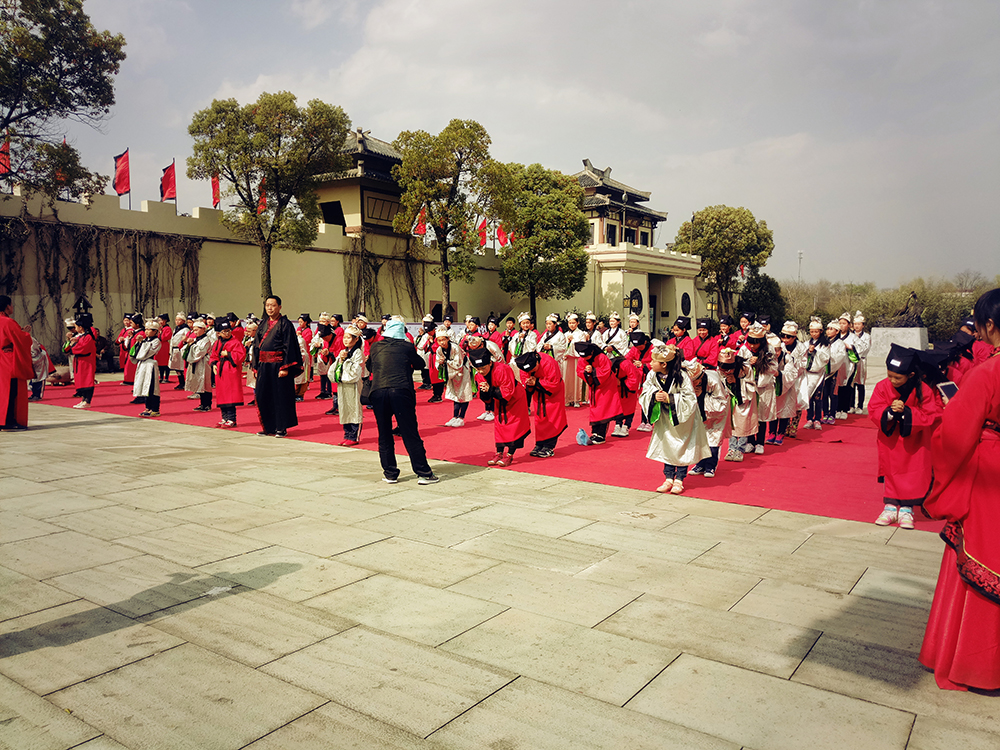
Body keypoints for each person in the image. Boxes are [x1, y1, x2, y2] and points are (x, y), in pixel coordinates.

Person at [919, 288, 1000, 691]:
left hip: (991, 472)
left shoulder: (988, 373)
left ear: (988, 326)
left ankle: (976, 666)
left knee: (980, 562)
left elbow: (955, 437)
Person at [867, 344, 943, 529]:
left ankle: (907, 509)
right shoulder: (882, 386)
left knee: (912, 472)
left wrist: (907, 412)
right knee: (891, 469)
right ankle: (890, 507)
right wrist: (890, 413)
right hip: (891, 438)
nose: (892, 380)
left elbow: (930, 413)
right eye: (889, 375)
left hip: (914, 439)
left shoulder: (923, 389)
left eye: (897, 377)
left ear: (910, 375)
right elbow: (874, 408)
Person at [368, 318, 438, 484]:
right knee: (409, 432)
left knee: (384, 434)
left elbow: (370, 367)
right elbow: (420, 364)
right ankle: (424, 473)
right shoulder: (406, 346)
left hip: (378, 391)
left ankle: (390, 473)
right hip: (400, 390)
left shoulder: (375, 346)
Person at [639, 344, 711, 494]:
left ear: (664, 364)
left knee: (682, 445)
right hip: (665, 416)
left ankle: (679, 479)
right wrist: (654, 395)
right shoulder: (652, 375)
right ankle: (668, 478)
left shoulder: (681, 376)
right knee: (668, 445)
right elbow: (646, 390)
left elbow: (690, 398)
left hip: (683, 417)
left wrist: (669, 398)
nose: (650, 363)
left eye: (654, 361)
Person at [252, 295, 303, 437]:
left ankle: (281, 427)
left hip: (279, 366)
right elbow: (256, 345)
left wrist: (286, 367)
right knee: (263, 396)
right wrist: (256, 366)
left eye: (273, 305)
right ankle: (269, 427)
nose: (270, 308)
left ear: (279, 307)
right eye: (267, 305)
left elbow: (290, 346)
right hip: (264, 366)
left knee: (280, 397)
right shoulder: (263, 324)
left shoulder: (285, 324)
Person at [471, 347, 530, 466]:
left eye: (483, 368)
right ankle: (499, 453)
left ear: (490, 362)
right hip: (499, 400)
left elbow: (507, 391)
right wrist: (484, 391)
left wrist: (490, 390)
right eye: (478, 369)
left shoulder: (503, 369)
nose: (481, 371)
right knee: (500, 425)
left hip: (515, 398)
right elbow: (485, 398)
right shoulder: (479, 375)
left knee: (514, 426)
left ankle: (510, 455)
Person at [514, 351, 567, 458]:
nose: (531, 371)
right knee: (540, 418)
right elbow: (524, 378)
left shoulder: (549, 362)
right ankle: (539, 444)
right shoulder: (524, 363)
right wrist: (529, 382)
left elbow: (554, 383)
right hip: (538, 393)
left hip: (553, 394)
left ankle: (549, 446)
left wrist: (537, 382)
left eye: (533, 369)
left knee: (553, 417)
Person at [575, 340, 623, 444]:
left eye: (587, 356)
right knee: (595, 408)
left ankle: (601, 434)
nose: (585, 358)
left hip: (606, 385)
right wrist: (586, 372)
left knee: (604, 408)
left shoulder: (602, 357)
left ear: (592, 352)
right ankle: (595, 432)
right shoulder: (582, 359)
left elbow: (605, 372)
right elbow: (579, 371)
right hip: (594, 387)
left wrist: (592, 371)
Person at [0, 295, 33, 430]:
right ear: (7, 306)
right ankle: (8, 421)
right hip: (7, 360)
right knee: (11, 391)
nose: (12, 307)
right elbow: (21, 340)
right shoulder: (7, 322)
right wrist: (25, 333)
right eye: (11, 305)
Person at [333, 324, 366, 445]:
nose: (345, 340)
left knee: (354, 409)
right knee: (344, 408)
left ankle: (354, 436)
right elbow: (334, 369)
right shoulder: (343, 352)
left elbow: (355, 373)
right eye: (344, 337)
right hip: (343, 385)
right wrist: (340, 360)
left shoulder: (358, 354)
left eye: (348, 337)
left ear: (356, 339)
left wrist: (345, 361)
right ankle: (347, 434)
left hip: (354, 385)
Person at [210, 319, 246, 428]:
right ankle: (224, 417)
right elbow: (214, 355)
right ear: (219, 333)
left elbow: (241, 355)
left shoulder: (235, 342)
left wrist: (228, 354)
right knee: (222, 395)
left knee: (230, 395)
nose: (227, 333)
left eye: (228, 330)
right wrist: (214, 364)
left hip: (231, 371)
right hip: (221, 372)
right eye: (224, 331)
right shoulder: (217, 343)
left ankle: (232, 419)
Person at [435, 326, 473, 426]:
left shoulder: (455, 347)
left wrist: (446, 362)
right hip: (451, 374)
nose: (442, 342)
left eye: (443, 339)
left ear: (448, 339)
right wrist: (440, 363)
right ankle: (455, 416)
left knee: (464, 394)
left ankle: (461, 417)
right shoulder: (439, 350)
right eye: (439, 340)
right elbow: (437, 363)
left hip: (462, 371)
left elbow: (458, 363)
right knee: (456, 395)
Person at [799, 318, 831, 430]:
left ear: (821, 331)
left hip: (818, 373)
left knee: (818, 396)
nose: (814, 334)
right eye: (812, 331)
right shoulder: (806, 343)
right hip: (807, 373)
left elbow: (826, 358)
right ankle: (809, 418)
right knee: (808, 397)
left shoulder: (825, 344)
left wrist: (815, 352)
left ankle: (817, 418)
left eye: (816, 331)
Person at [64, 316, 98, 409]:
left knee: (87, 381)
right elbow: (68, 349)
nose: (75, 328)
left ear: (81, 327)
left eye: (76, 326)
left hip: (86, 362)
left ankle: (87, 401)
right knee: (81, 380)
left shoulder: (88, 337)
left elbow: (82, 349)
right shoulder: (80, 336)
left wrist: (74, 344)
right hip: (80, 362)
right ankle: (83, 399)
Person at [133, 319, 163, 417]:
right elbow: (135, 353)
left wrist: (142, 344)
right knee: (144, 386)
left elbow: (146, 353)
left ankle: (155, 408)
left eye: (149, 330)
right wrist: (138, 343)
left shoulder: (157, 341)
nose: (146, 331)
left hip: (150, 364)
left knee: (152, 387)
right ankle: (147, 407)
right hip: (143, 365)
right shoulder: (145, 340)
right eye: (146, 329)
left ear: (155, 331)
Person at [184, 319, 214, 412]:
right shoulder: (197, 339)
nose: (194, 332)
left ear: (203, 329)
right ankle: (202, 403)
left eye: (196, 330)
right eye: (193, 330)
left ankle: (207, 404)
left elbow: (200, 352)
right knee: (199, 384)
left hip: (204, 364)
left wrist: (192, 345)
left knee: (205, 384)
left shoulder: (206, 340)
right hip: (197, 364)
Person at [846, 312, 871, 413]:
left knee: (860, 383)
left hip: (861, 361)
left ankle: (860, 406)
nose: (856, 326)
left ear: (863, 325)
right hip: (851, 361)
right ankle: (850, 405)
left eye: (859, 324)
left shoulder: (867, 336)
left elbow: (866, 348)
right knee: (851, 383)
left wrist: (853, 349)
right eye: (855, 324)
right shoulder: (850, 335)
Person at [563, 314, 587, 407]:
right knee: (567, 378)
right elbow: (562, 347)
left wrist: (572, 341)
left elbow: (582, 345)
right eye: (570, 323)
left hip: (576, 359)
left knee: (577, 379)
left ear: (577, 323)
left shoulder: (581, 334)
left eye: (573, 323)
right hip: (568, 359)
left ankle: (577, 399)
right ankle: (568, 398)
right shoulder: (565, 334)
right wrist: (568, 342)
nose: (572, 325)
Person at [169, 313, 189, 390]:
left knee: (181, 367)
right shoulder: (176, 329)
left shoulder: (185, 329)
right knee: (176, 367)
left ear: (183, 321)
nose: (177, 321)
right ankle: (181, 382)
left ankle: (185, 382)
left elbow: (186, 338)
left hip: (180, 349)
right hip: (174, 350)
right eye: (176, 319)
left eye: (179, 320)